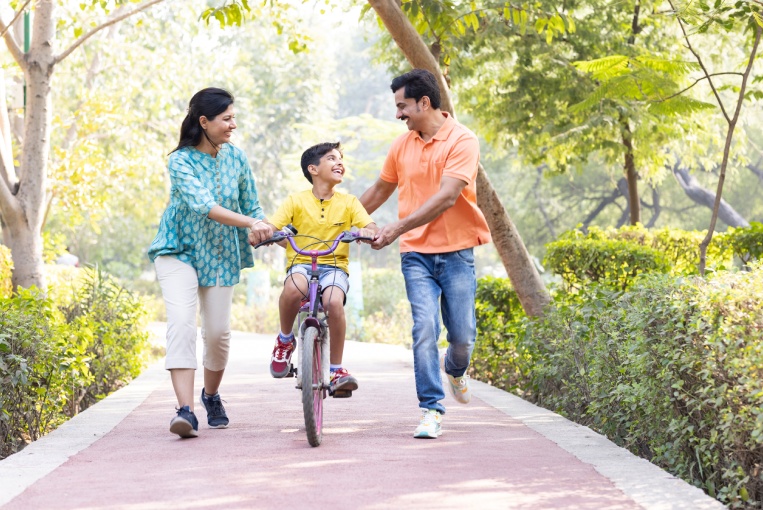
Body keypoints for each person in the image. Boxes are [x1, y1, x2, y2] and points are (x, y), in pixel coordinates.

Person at [359, 69, 491, 439]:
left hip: (457, 252)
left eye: (402, 106)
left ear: (424, 103)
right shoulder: (402, 146)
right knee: (424, 329)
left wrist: (394, 228)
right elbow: (378, 192)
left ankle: (456, 368)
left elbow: (447, 197)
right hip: (415, 253)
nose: (398, 114)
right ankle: (431, 408)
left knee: (462, 337)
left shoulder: (462, 140)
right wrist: (336, 220)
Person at [148, 87, 273, 438]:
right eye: (226, 118)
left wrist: (259, 226)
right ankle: (185, 411)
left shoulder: (237, 158)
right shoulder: (180, 161)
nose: (233, 124)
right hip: (179, 250)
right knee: (182, 323)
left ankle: (211, 395)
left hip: (220, 254)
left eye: (234, 117)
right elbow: (203, 204)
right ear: (204, 122)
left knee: (218, 333)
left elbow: (253, 206)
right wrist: (250, 223)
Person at [262, 142, 377, 394]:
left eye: (340, 159)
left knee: (333, 303)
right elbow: (272, 225)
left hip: (334, 265)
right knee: (293, 290)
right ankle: (284, 340)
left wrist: (368, 232)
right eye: (331, 158)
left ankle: (335, 368)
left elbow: (371, 226)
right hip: (301, 262)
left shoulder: (349, 202)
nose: (339, 163)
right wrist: (264, 232)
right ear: (313, 169)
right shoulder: (296, 200)